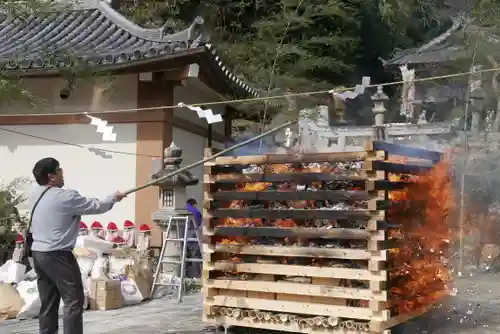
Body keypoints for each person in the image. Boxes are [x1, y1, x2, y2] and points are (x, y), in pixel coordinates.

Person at [30, 158, 126, 334]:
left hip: (38, 254)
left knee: (48, 302)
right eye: (59, 170)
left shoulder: (35, 194)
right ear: (51, 176)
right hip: (58, 255)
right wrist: (114, 198)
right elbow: (97, 206)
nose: (62, 173)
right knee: (73, 301)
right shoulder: (66, 197)